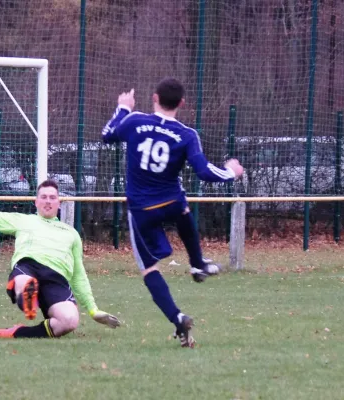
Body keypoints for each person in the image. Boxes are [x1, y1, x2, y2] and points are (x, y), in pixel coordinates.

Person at [101, 78, 243, 348]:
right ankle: (198, 262)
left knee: (149, 270)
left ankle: (177, 317)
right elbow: (203, 171)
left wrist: (123, 108)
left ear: (154, 98)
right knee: (183, 206)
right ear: (182, 103)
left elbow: (107, 133)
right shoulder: (187, 134)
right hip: (171, 202)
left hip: (141, 208)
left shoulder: (133, 121)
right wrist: (231, 173)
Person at [0, 177, 121, 339]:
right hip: (29, 266)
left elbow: (79, 274)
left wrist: (93, 310)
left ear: (59, 203)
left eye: (52, 198)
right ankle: (27, 295)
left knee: (69, 321)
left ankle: (17, 331)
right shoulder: (23, 220)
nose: (48, 201)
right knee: (26, 281)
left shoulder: (71, 234)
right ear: (36, 202)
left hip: (57, 278)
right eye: (43, 197)